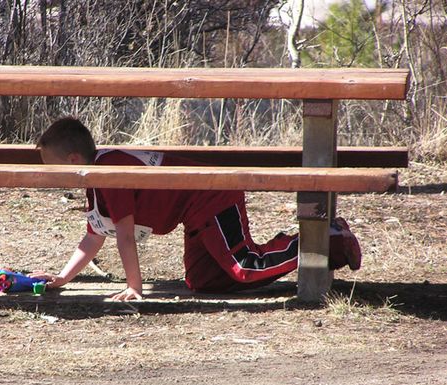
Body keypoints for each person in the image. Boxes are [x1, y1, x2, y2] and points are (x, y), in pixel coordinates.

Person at [29, 117, 361, 301]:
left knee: (245, 266)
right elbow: (93, 237)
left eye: (52, 167)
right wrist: (61, 278)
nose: (50, 175)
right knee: (204, 282)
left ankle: (325, 238)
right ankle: (300, 245)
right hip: (193, 215)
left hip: (211, 196)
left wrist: (134, 286)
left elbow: (125, 237)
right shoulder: (96, 179)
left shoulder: (109, 172)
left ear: (74, 160)